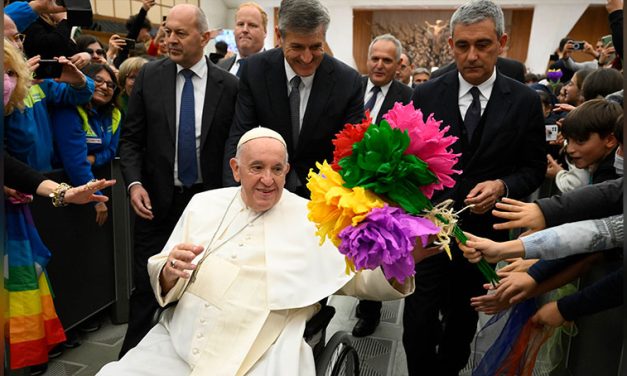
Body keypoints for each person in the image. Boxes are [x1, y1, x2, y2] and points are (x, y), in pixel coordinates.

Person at [98, 127, 415, 376]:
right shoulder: (203, 204)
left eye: (277, 169)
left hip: (268, 342)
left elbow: (355, 277)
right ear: (236, 169)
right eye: (256, 167)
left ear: (287, 170)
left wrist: (399, 264)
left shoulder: (313, 216)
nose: (268, 180)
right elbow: (163, 269)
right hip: (185, 336)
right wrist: (169, 272)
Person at [403, 1, 546, 374]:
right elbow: (409, 164)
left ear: (502, 42)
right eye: (462, 45)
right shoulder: (425, 96)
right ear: (450, 43)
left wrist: (502, 185)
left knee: (462, 323)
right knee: (417, 322)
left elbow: (533, 169)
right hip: (430, 233)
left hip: (484, 240)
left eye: (482, 45)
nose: (472, 55)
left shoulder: (526, 102)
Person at [117, 3, 239, 357]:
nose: (170, 39)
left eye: (180, 34)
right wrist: (134, 184)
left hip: (206, 206)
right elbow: (130, 139)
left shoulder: (228, 87)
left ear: (204, 38)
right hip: (154, 203)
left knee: (203, 287)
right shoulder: (150, 78)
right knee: (146, 286)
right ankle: (130, 360)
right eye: (167, 31)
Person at [223, 0, 364, 198]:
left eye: (316, 47)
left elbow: (352, 151)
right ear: (279, 36)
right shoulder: (255, 71)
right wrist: (233, 195)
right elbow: (239, 137)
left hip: (325, 196)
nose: (306, 58)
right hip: (265, 190)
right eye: (297, 47)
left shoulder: (348, 82)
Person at [353, 33, 413, 337]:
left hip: (382, 185)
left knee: (372, 246)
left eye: (386, 60)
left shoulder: (408, 97)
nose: (379, 65)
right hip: (345, 179)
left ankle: (369, 309)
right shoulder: (350, 87)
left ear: (398, 64)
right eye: (374, 58)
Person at [51, 63, 122, 226]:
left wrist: (94, 159)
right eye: (98, 80)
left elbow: (112, 151)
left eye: (111, 85)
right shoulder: (68, 109)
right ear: (85, 80)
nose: (105, 87)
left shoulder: (114, 113)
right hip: (63, 185)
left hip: (91, 182)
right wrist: (96, 198)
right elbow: (74, 161)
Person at [217, 2, 267, 76]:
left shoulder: (276, 67)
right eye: (240, 24)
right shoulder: (220, 66)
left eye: (252, 25)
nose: (244, 30)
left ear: (265, 32)